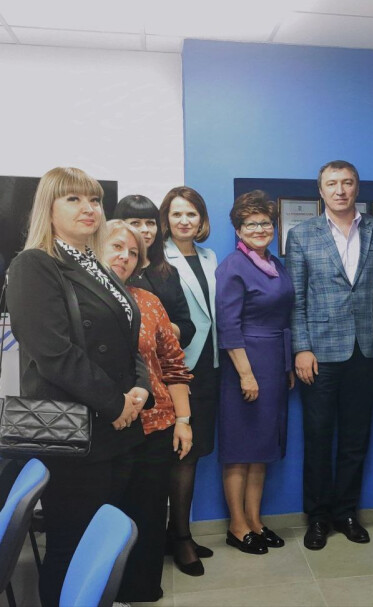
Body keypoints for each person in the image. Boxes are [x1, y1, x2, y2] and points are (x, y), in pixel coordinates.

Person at [6, 167, 150, 607]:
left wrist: (140, 389)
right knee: (71, 549)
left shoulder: (97, 266)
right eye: (73, 199)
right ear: (48, 208)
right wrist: (115, 404)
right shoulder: (35, 264)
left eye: (94, 200)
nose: (89, 208)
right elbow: (54, 354)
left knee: (100, 549)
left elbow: (129, 341)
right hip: (76, 433)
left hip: (117, 429)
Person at [286, 160, 373, 550]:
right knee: (317, 438)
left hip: (366, 351)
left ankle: (346, 513)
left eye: (347, 183)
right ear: (321, 191)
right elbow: (296, 299)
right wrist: (302, 348)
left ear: (357, 188)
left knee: (355, 439)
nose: (340, 190)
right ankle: (317, 517)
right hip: (319, 353)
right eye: (332, 183)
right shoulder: (301, 235)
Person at [101, 220, 193, 603]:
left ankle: (141, 591)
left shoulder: (149, 301)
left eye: (133, 252)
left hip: (156, 426)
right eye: (116, 247)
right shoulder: (78, 297)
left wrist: (183, 420)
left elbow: (173, 364)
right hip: (106, 429)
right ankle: (106, 592)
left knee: (150, 514)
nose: (125, 256)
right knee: (108, 516)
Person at [215, 190, 295, 554]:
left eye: (265, 222)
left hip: (274, 361)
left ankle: (255, 520)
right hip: (245, 363)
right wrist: (246, 374)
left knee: (261, 447)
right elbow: (228, 326)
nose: (260, 229)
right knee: (240, 447)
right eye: (251, 224)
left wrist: (287, 364)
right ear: (238, 229)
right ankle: (237, 525)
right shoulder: (233, 266)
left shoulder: (275, 264)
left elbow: (284, 318)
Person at [160, 186, 219, 575]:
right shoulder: (156, 259)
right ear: (167, 218)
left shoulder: (211, 256)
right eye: (177, 213)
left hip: (210, 366)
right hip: (177, 367)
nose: (185, 220)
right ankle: (179, 538)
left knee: (195, 451)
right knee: (180, 453)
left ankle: (179, 531)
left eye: (192, 214)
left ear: (202, 220)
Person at [114, 194, 196, 349]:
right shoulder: (110, 269)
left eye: (150, 223)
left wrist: (157, 325)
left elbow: (186, 327)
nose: (145, 230)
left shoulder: (168, 272)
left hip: (161, 358)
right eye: (136, 223)